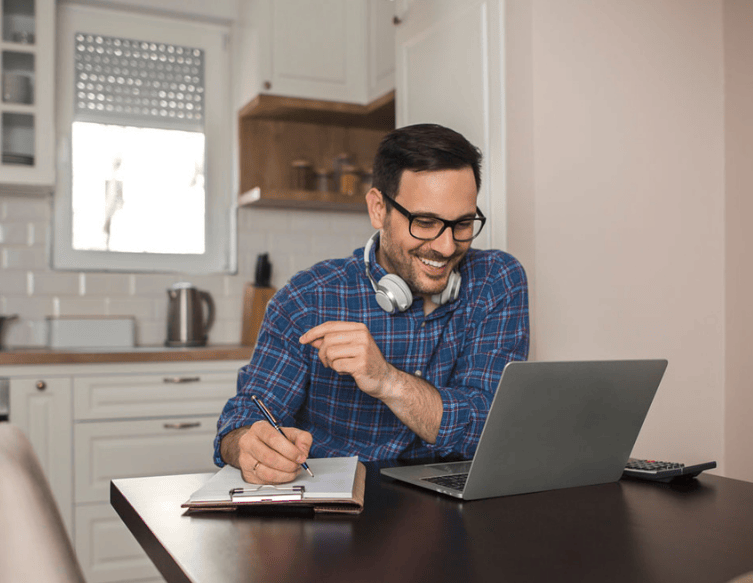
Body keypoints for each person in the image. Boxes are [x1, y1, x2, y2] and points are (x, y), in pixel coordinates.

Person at [215, 123, 530, 484]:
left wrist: (388, 381)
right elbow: (242, 419)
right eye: (425, 222)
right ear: (379, 209)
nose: (446, 247)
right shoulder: (307, 298)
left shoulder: (497, 280)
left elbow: (489, 431)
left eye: (462, 224)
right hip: (338, 514)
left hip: (454, 510)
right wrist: (246, 445)